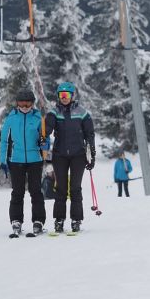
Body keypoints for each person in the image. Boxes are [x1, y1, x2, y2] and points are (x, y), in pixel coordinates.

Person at [44, 81, 95, 234]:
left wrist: (91, 154)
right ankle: (59, 220)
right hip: (59, 155)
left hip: (78, 155)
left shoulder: (82, 112)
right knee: (60, 188)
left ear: (73, 96)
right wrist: (44, 131)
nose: (64, 98)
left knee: (75, 188)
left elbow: (89, 134)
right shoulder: (54, 112)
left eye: (66, 95)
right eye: (61, 95)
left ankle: (76, 220)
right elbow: (48, 129)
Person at [0, 89, 46, 237]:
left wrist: (43, 143)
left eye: (28, 103)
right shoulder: (11, 118)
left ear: (32, 104)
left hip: (35, 160)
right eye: (22, 103)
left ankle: (38, 221)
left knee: (36, 192)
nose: (25, 106)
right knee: (17, 192)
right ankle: (16, 221)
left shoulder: (38, 117)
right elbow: (4, 140)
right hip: (17, 160)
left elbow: (45, 141)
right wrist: (3, 161)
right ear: (17, 103)